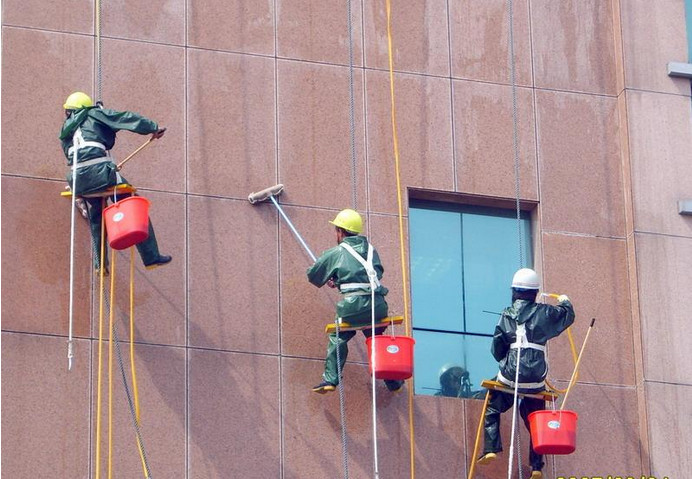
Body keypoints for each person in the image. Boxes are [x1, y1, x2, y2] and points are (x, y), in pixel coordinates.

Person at [478, 268, 575, 479]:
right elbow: (567, 315)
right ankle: (537, 466)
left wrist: (507, 360)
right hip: (535, 379)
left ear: (514, 292)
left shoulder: (506, 315)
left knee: (492, 407)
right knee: (536, 419)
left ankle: (491, 449)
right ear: (535, 292)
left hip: (510, 376)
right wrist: (565, 301)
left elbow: (496, 349)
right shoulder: (546, 313)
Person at [59, 92, 171, 273]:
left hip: (77, 180)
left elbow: (72, 154)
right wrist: (152, 127)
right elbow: (124, 118)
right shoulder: (94, 114)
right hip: (101, 173)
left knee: (97, 217)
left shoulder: (66, 129)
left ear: (69, 111)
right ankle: (151, 257)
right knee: (132, 202)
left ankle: (100, 265)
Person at [307, 208, 404, 394]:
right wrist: (342, 280)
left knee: (338, 336)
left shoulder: (337, 252)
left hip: (353, 307)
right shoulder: (371, 250)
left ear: (340, 231)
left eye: (336, 230)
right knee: (375, 336)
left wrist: (334, 278)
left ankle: (330, 379)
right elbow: (377, 273)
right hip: (378, 304)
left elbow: (314, 276)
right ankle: (393, 381)